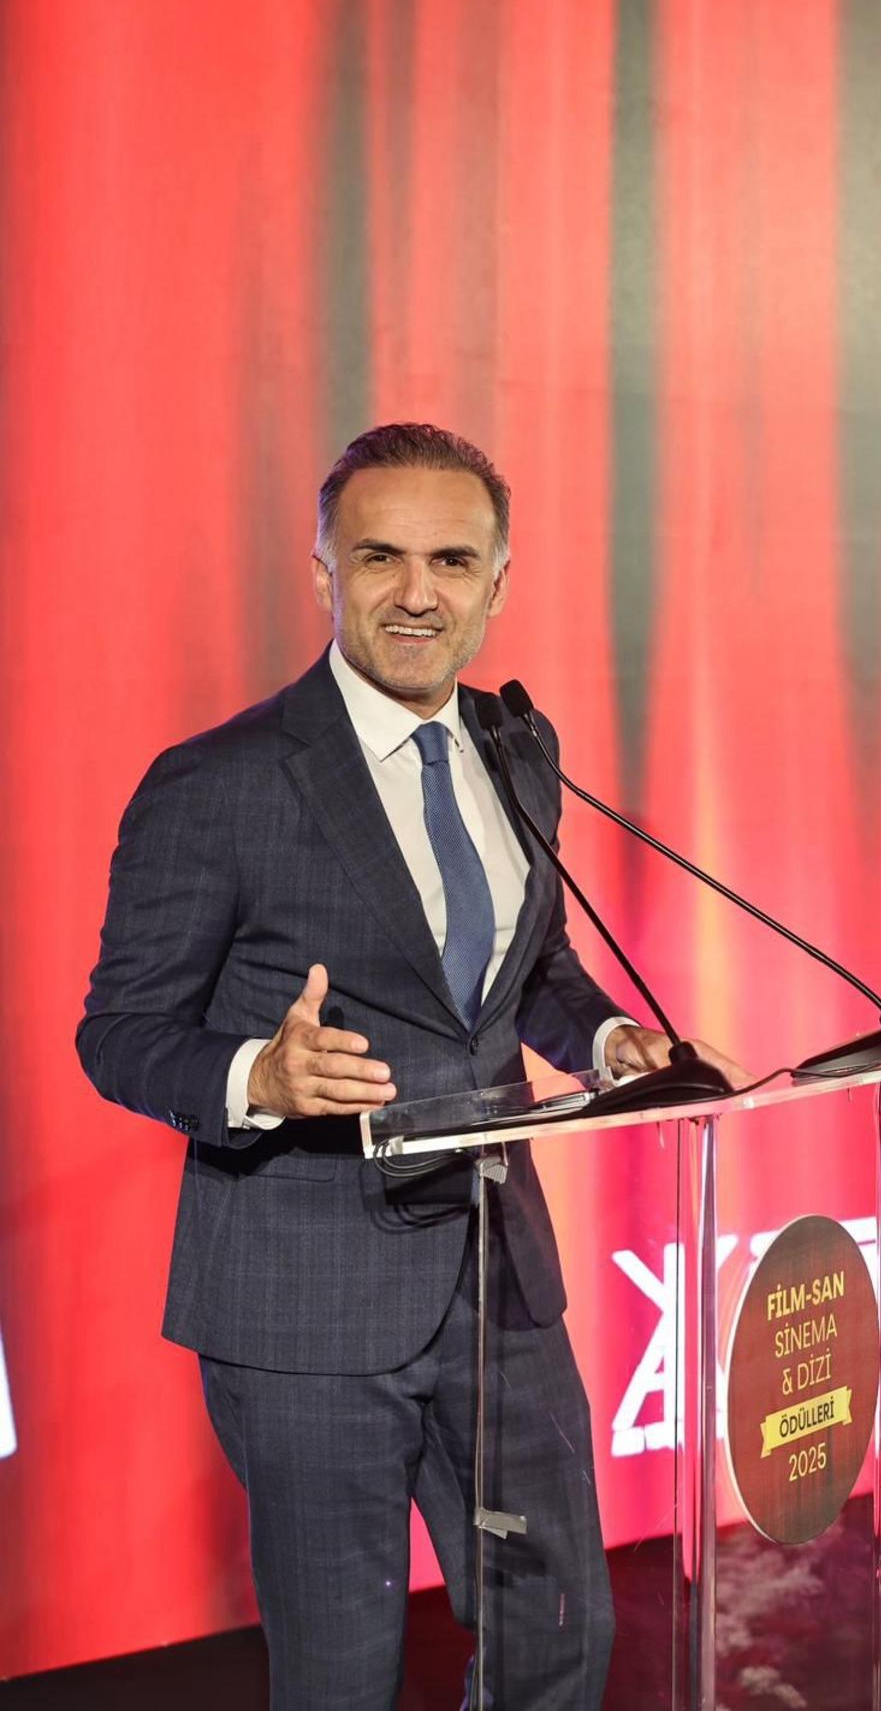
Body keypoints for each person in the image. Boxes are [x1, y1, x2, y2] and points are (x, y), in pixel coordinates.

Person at [78, 423, 738, 1710]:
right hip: (303, 1304)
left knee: (561, 1631)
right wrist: (255, 1077)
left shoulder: (516, 746)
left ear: (499, 582)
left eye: (452, 560)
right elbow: (121, 1028)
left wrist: (613, 1040)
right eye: (380, 556)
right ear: (324, 569)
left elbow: (530, 971)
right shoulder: (219, 782)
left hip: (501, 1280)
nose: (417, 592)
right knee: (341, 1674)